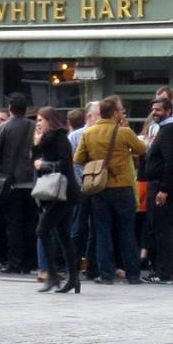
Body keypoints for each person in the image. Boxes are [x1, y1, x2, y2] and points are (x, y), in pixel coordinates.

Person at [74, 96, 145, 284]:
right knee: (127, 232)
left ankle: (106, 275)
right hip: (123, 187)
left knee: (102, 232)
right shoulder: (124, 132)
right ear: (114, 113)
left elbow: (78, 158)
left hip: (100, 188)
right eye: (121, 110)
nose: (122, 113)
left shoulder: (89, 133)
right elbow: (142, 149)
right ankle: (133, 275)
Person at [140, 95, 173, 282]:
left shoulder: (169, 130)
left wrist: (163, 189)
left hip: (164, 186)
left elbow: (171, 163)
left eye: (159, 110)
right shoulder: (172, 128)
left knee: (163, 230)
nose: (155, 113)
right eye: (153, 109)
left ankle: (165, 273)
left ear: (168, 111)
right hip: (169, 185)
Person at [0, 93, 37, 275]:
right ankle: (30, 262)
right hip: (32, 181)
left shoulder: (4, 128)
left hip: (11, 182)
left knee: (13, 225)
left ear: (10, 108)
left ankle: (15, 262)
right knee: (31, 223)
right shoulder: (34, 127)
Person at [30, 106, 78, 293]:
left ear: (50, 120)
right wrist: (36, 145)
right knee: (64, 235)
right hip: (54, 193)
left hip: (64, 193)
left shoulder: (60, 138)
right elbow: (33, 161)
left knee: (42, 230)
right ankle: (73, 278)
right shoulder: (44, 140)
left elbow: (65, 165)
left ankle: (53, 274)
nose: (38, 123)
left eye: (41, 120)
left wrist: (45, 165)